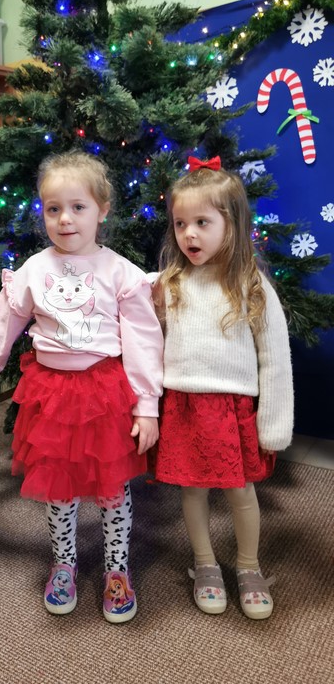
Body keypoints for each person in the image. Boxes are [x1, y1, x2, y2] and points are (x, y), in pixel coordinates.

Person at [0, 151, 164, 623]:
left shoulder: (121, 272)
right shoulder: (34, 269)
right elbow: (3, 322)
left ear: (102, 209)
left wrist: (147, 405)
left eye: (78, 207)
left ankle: (117, 569)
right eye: (53, 209)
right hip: (50, 393)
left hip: (106, 392)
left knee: (113, 488)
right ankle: (64, 564)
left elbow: (143, 341)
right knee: (60, 488)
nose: (65, 219)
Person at [151, 156, 294, 620]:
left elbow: (275, 359)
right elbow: (146, 341)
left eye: (202, 223)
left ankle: (249, 566)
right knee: (192, 491)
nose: (189, 234)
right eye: (180, 224)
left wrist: (274, 424)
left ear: (231, 225)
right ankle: (206, 564)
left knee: (240, 491)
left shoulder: (251, 285)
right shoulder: (169, 283)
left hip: (231, 409)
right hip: (183, 406)